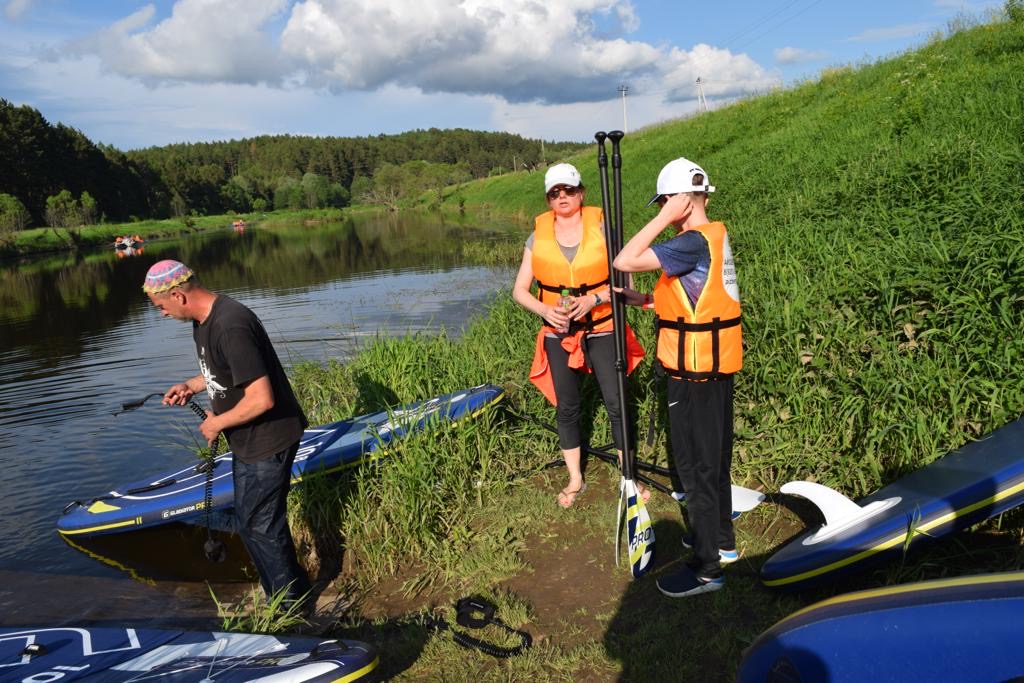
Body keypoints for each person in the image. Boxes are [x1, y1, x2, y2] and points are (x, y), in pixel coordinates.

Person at [142, 259, 312, 609]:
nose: (161, 314)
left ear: (178, 295)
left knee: (262, 525)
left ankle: (291, 605)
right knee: (251, 523)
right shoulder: (204, 321)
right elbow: (222, 370)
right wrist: (190, 385)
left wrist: (217, 422)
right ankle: (284, 592)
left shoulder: (231, 323)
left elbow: (262, 398)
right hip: (247, 440)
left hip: (269, 437)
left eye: (161, 307)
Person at [613, 157, 742, 597]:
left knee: (696, 470)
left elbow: (623, 258)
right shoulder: (713, 236)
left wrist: (664, 216)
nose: (663, 210)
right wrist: (646, 301)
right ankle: (721, 543)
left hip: (694, 377)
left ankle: (707, 569)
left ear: (682, 200)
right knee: (714, 463)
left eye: (666, 201)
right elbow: (698, 300)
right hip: (714, 371)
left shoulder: (689, 241)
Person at [512, 163, 646, 508]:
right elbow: (520, 291)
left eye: (568, 190)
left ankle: (628, 478)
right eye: (555, 193)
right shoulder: (536, 236)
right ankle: (575, 478)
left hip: (602, 326)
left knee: (616, 403)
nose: (562, 197)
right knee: (567, 407)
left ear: (581, 192)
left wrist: (595, 299)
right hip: (558, 331)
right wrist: (545, 310)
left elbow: (626, 284)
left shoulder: (604, 228)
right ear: (548, 199)